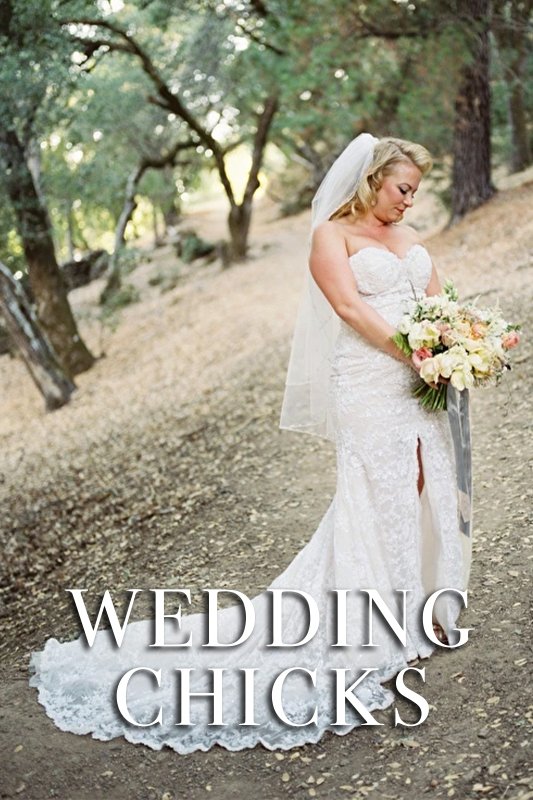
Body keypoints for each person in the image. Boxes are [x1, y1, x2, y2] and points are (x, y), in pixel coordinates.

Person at [29, 133, 473, 753]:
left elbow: (439, 301)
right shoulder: (331, 236)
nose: (408, 201)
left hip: (418, 379)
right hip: (370, 381)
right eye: (402, 189)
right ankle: (375, 621)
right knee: (380, 486)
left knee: (426, 476)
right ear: (372, 180)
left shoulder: (407, 236)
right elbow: (348, 306)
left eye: (414, 192)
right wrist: (415, 354)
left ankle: (422, 601)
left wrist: (470, 341)